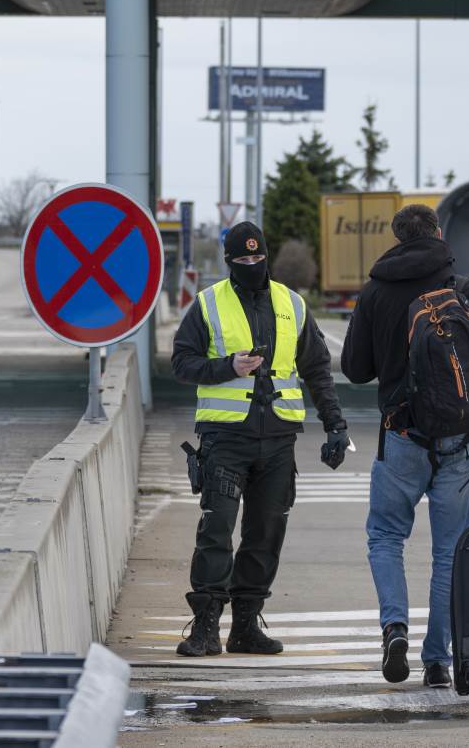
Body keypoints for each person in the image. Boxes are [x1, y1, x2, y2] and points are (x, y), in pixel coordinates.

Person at [341, 203, 469, 689]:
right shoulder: (467, 292)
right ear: (439, 234)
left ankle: (394, 628)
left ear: (398, 239)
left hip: (402, 437)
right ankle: (437, 659)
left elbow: (355, 370)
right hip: (458, 441)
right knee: (450, 552)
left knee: (385, 538)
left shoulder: (376, 291)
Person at [169, 221, 347, 658]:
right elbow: (182, 362)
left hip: (278, 439)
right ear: (229, 262)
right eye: (243, 260)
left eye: (258, 258)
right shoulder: (209, 304)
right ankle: (206, 627)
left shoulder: (292, 304)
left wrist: (335, 425)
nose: (252, 265)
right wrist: (227, 367)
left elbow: (318, 370)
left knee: (266, 533)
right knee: (217, 531)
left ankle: (246, 626)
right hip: (226, 440)